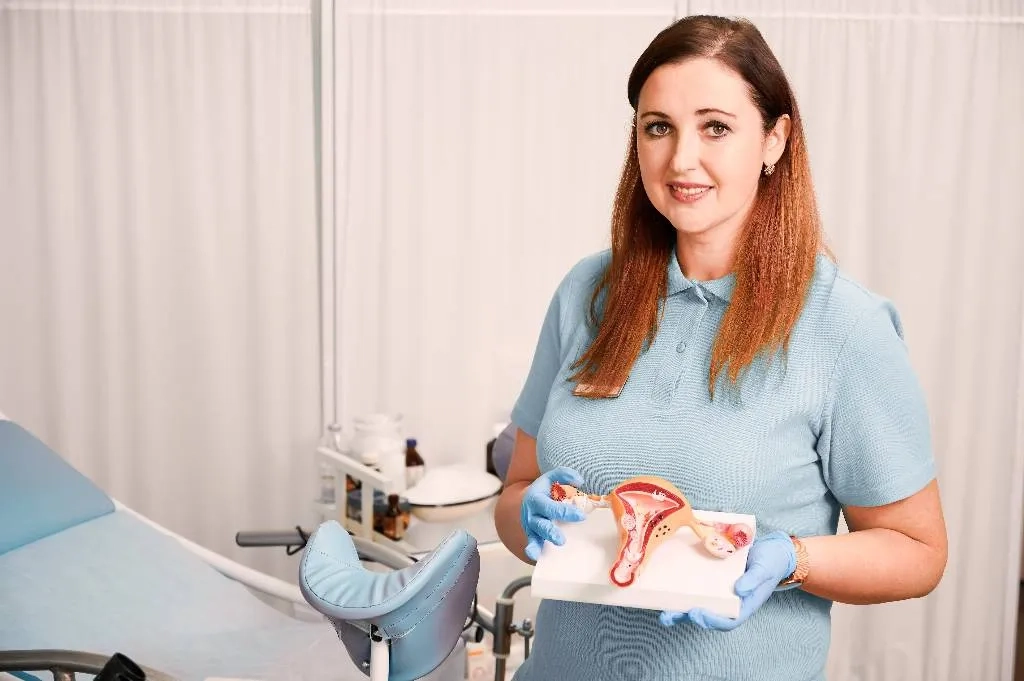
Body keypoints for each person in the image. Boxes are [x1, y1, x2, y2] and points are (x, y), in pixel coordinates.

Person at [493, 14, 948, 681]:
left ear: (774, 139)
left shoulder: (845, 328)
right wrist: (524, 517)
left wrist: (795, 559)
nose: (681, 159)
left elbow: (919, 551)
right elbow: (515, 494)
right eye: (658, 127)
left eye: (715, 127)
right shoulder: (587, 293)